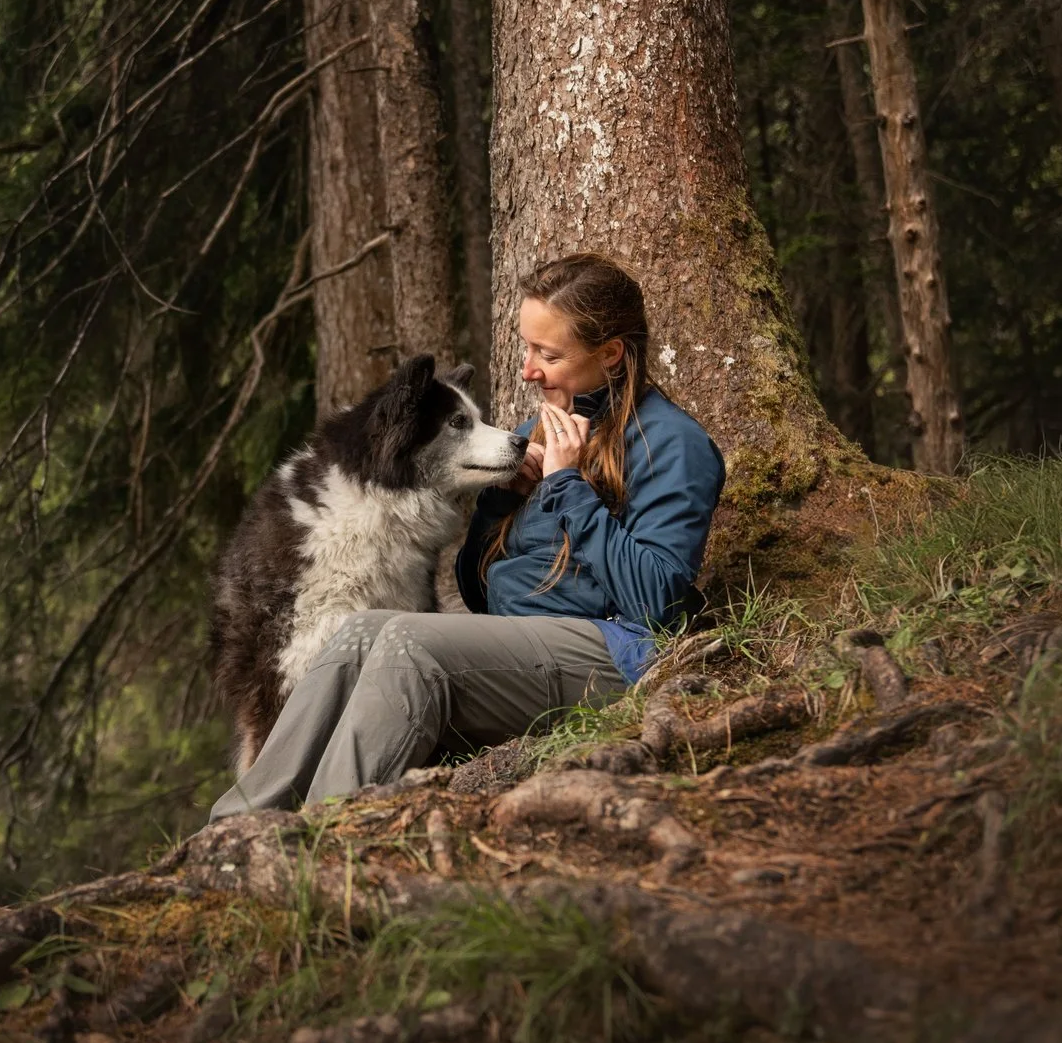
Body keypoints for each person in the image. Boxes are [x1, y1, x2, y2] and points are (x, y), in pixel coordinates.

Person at [207, 252, 724, 818]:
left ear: (610, 354)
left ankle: (324, 838)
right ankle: (240, 825)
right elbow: (482, 591)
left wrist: (567, 487)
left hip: (615, 655)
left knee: (410, 645)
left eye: (547, 355)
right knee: (360, 633)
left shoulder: (673, 445)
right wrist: (503, 499)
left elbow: (661, 602)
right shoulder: (536, 435)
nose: (527, 370)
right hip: (519, 649)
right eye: (527, 348)